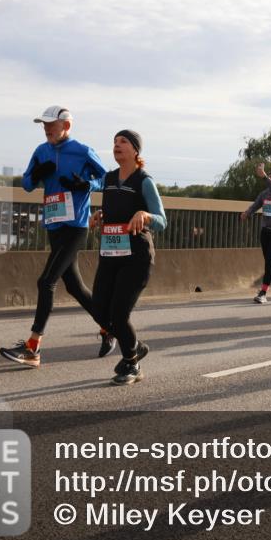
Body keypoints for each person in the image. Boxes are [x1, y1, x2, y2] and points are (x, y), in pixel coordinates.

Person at [0, 106, 107, 368]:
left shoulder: (82, 151)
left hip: (76, 226)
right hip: (54, 225)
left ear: (66, 126)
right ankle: (110, 327)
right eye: (44, 125)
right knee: (74, 287)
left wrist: (86, 184)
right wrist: (36, 175)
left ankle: (33, 346)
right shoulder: (41, 151)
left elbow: (105, 178)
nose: (46, 129)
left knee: (46, 281)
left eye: (51, 124)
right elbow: (27, 184)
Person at [88, 130, 167, 384]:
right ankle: (135, 346)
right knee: (99, 310)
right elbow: (114, 208)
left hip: (136, 257)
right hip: (110, 254)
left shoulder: (144, 181)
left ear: (135, 150)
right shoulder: (109, 178)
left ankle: (132, 363)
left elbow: (162, 221)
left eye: (123, 141)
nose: (117, 145)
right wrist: (100, 215)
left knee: (119, 313)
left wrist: (145, 215)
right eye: (114, 142)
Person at [242, 163, 271, 304]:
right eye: (270, 176)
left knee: (268, 262)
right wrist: (247, 213)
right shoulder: (264, 194)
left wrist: (264, 177)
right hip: (266, 232)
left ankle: (263, 293)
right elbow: (256, 205)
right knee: (269, 262)